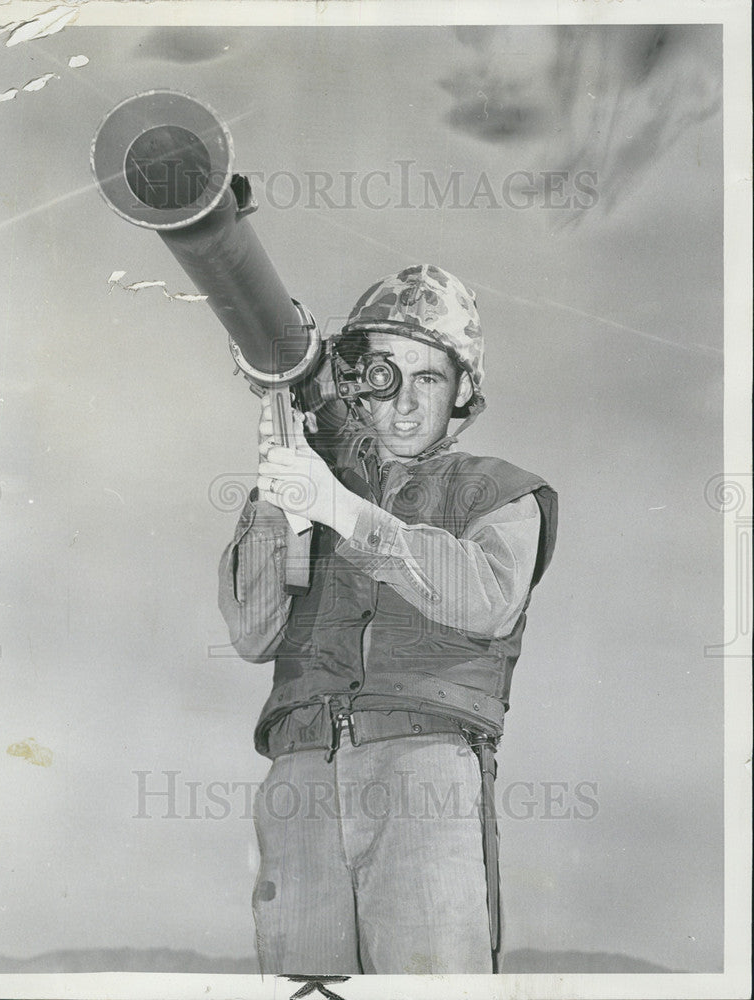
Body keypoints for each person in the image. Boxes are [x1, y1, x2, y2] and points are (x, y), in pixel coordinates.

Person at [218, 264, 557, 975]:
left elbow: (485, 599)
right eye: (381, 376)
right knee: (304, 985)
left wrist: (342, 510)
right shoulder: (314, 484)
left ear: (462, 388)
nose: (401, 405)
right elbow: (252, 633)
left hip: (422, 768)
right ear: (353, 382)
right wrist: (284, 505)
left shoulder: (501, 493)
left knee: (428, 983)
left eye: (427, 378)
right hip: (300, 770)